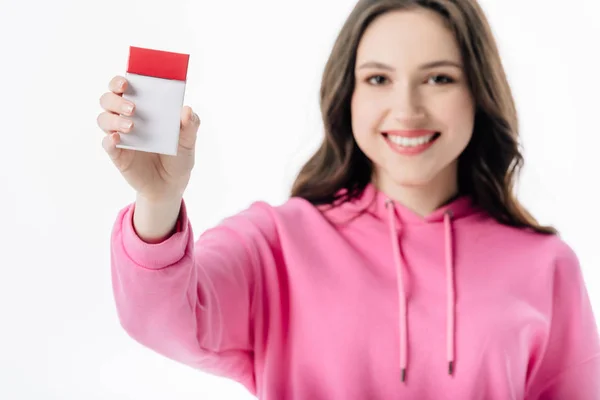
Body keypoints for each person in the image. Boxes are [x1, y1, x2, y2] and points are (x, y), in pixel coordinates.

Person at [97, 0, 600, 398]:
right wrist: (158, 200)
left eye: (440, 78)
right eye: (378, 79)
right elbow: (160, 319)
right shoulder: (277, 242)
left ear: (479, 92)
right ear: (348, 95)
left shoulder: (547, 266)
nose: (407, 109)